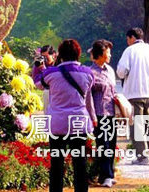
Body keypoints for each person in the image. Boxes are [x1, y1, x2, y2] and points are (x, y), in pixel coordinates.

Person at [37, 39, 96, 192]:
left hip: (58, 124)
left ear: (60, 54)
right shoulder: (88, 73)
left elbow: (37, 83)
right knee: (80, 163)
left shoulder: (51, 73)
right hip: (79, 122)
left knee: (57, 163)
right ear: (78, 54)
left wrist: (37, 68)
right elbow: (88, 94)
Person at [116, 27, 149, 165]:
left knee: (137, 125)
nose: (127, 42)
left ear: (131, 38)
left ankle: (142, 156)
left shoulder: (129, 51)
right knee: (148, 124)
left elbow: (121, 72)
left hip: (134, 93)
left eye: (127, 39)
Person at [89, 39, 118, 188]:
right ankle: (105, 175)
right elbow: (88, 97)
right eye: (108, 52)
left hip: (111, 113)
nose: (110, 55)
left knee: (111, 144)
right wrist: (92, 117)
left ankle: (108, 174)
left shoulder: (110, 70)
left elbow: (113, 91)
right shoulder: (90, 73)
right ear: (100, 55)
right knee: (104, 145)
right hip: (99, 115)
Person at [32, 45, 57, 112]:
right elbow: (36, 82)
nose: (44, 59)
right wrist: (41, 67)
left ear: (53, 55)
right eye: (43, 57)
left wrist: (44, 70)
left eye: (46, 57)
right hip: (46, 90)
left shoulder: (59, 63)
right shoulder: (39, 63)